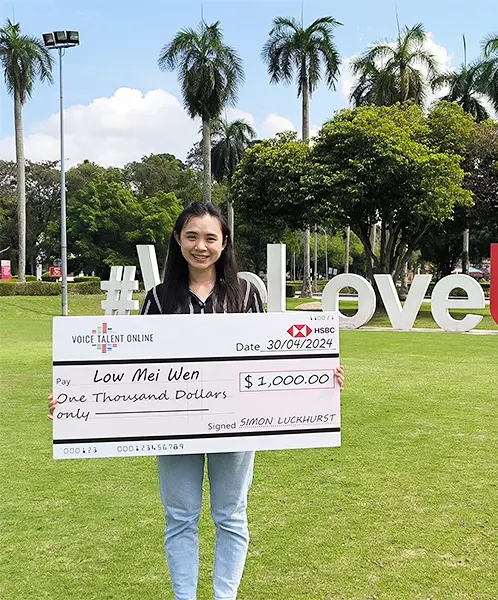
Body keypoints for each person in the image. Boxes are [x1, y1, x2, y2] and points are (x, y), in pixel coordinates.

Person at [48, 202, 344, 600]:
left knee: (231, 517)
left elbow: (273, 359)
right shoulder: (157, 298)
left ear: (224, 243)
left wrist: (317, 379)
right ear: (177, 239)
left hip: (236, 426)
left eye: (210, 238)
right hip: (174, 427)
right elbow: (131, 370)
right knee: (180, 518)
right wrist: (75, 399)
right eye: (192, 236)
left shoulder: (245, 295)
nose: (200, 246)